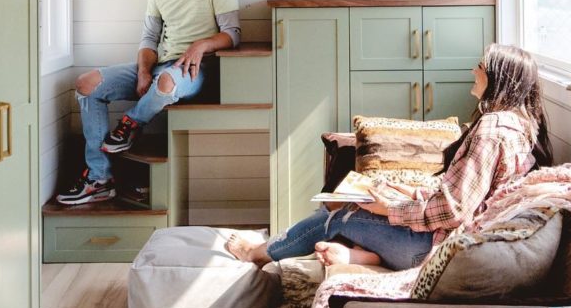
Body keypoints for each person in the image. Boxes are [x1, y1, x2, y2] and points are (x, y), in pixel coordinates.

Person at [226, 43, 552, 270]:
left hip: (436, 247)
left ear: (498, 78)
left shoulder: (493, 131)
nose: (473, 70)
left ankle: (256, 254)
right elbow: (464, 195)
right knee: (359, 199)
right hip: (448, 236)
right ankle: (362, 257)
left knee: (339, 215)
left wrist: (391, 208)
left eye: (480, 66)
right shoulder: (520, 124)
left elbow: (454, 209)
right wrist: (406, 193)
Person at [59, 0, 240, 205]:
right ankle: (99, 178)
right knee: (86, 84)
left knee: (165, 82)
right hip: (159, 64)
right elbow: (149, 37)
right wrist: (143, 71)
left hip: (194, 70)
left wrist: (200, 45)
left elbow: (232, 34)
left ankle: (131, 122)